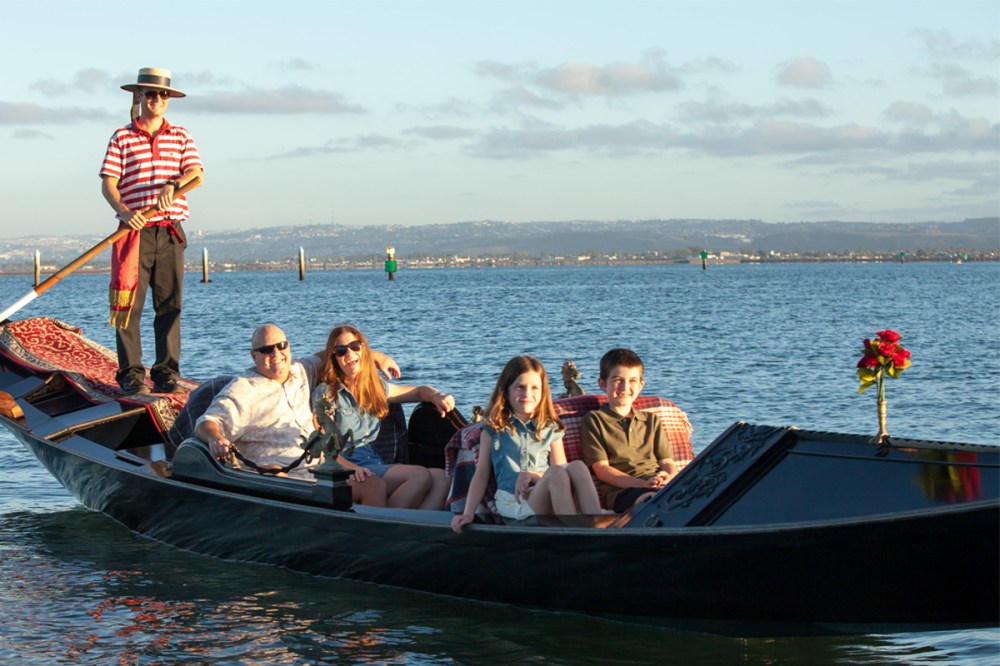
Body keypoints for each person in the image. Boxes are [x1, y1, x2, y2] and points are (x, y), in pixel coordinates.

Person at [193, 324, 399, 506]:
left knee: (373, 486)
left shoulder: (301, 370)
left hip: (319, 471)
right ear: (253, 356)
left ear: (288, 347)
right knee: (275, 472)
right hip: (277, 475)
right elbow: (208, 421)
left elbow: (330, 353)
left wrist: (376, 357)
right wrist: (215, 437)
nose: (276, 354)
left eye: (281, 346)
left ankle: (372, 538)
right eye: (266, 350)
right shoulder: (242, 389)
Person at [100, 67, 204, 395]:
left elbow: (196, 173)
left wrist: (174, 185)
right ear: (139, 97)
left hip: (170, 230)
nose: (156, 99)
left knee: (170, 305)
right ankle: (130, 374)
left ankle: (166, 372)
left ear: (168, 99)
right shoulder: (122, 137)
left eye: (162, 95)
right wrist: (124, 211)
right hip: (134, 233)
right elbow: (109, 184)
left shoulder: (181, 136)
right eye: (150, 94)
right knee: (128, 304)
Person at [451, 356, 603, 533]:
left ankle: (598, 523)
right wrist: (468, 513)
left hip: (547, 495)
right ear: (506, 390)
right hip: (514, 503)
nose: (527, 394)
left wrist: (533, 476)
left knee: (576, 466)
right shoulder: (494, 429)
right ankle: (575, 533)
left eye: (534, 388)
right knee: (556, 473)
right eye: (520, 387)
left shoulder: (550, 428)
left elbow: (562, 470)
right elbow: (481, 474)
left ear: (543, 392)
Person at [314, 324, 454, 510]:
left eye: (355, 347)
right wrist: (351, 468)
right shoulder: (326, 393)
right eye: (341, 351)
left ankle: (414, 530)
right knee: (419, 476)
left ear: (364, 350)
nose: (349, 354)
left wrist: (437, 395)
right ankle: (390, 524)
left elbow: (419, 391)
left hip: (373, 461)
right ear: (334, 357)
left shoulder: (374, 389)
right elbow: (325, 447)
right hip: (345, 466)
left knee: (442, 478)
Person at [580, 348, 678, 513]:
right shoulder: (595, 420)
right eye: (618, 380)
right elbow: (602, 470)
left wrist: (667, 476)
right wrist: (642, 485)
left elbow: (667, 462)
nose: (625, 387)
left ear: (640, 385)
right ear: (603, 384)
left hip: (656, 483)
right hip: (623, 491)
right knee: (649, 500)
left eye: (632, 380)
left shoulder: (651, 420)